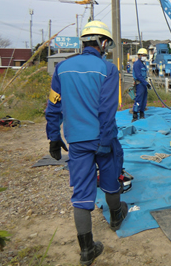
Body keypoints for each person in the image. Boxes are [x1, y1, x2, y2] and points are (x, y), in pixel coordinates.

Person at [45, 20, 128, 266]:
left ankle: (87, 250)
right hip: (102, 138)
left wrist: (53, 137)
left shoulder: (62, 68)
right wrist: (104, 141)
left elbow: (54, 106)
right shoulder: (107, 69)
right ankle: (115, 218)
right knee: (111, 181)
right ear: (103, 43)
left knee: (81, 192)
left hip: (77, 141)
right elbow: (107, 109)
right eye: (107, 44)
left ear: (83, 41)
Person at [132, 48, 151, 122]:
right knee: (138, 99)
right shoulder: (137, 64)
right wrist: (146, 83)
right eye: (143, 55)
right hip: (140, 84)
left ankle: (142, 114)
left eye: (145, 55)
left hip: (143, 84)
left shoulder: (143, 64)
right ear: (139, 55)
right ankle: (135, 115)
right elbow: (138, 76)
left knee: (144, 100)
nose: (144, 56)